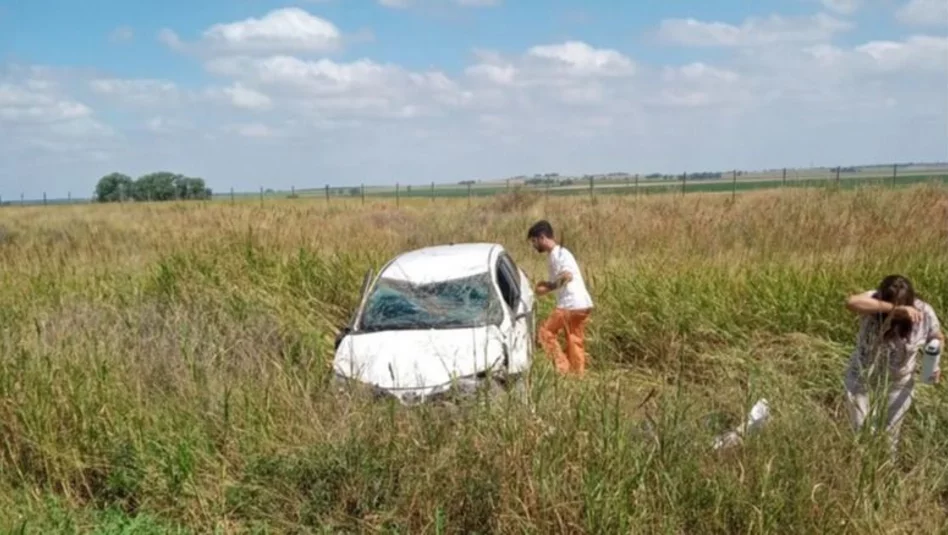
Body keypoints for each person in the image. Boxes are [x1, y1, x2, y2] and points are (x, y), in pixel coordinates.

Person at [843, 274, 944, 456]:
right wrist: (895, 309)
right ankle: (859, 469)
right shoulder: (873, 300)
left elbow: (937, 336)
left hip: (899, 382)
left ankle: (885, 473)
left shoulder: (924, 311)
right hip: (862, 377)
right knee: (861, 431)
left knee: (889, 437)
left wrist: (935, 363)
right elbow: (851, 302)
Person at [526, 220, 594, 376]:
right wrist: (548, 284)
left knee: (545, 333)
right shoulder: (561, 253)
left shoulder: (558, 254)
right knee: (574, 339)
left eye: (534, 241)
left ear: (542, 237)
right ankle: (578, 375)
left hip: (570, 304)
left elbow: (567, 276)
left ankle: (562, 369)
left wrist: (549, 287)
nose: (534, 246)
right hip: (582, 304)